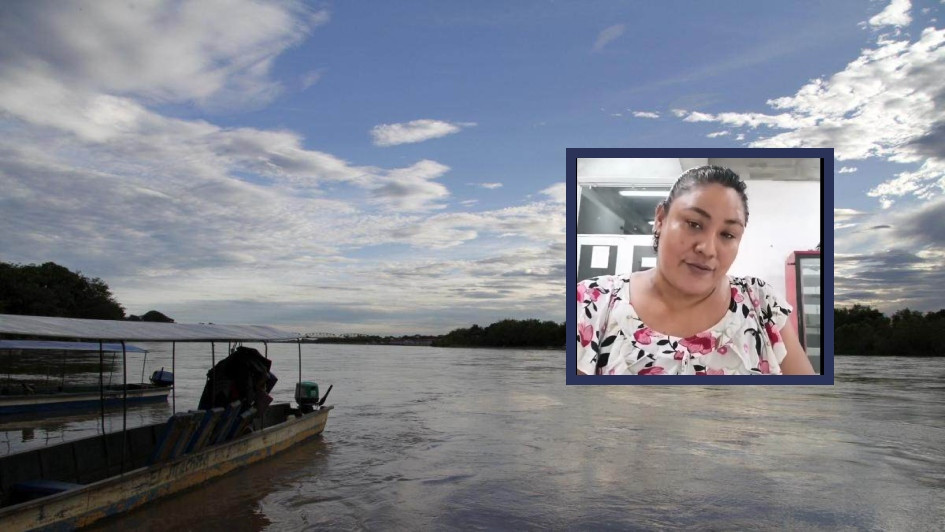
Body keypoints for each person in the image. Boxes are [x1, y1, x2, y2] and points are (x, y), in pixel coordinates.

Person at [577, 165, 816, 376]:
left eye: (727, 235)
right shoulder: (592, 302)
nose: (708, 249)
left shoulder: (761, 304)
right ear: (661, 219)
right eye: (693, 224)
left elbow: (810, 409)